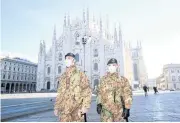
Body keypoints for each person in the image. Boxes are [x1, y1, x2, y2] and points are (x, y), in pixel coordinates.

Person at [54, 53, 92, 122]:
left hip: (77, 109)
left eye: (69, 58)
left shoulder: (80, 74)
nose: (66, 60)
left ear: (74, 60)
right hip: (64, 110)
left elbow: (87, 90)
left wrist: (85, 106)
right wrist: (56, 107)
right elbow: (60, 93)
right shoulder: (62, 76)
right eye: (66, 59)